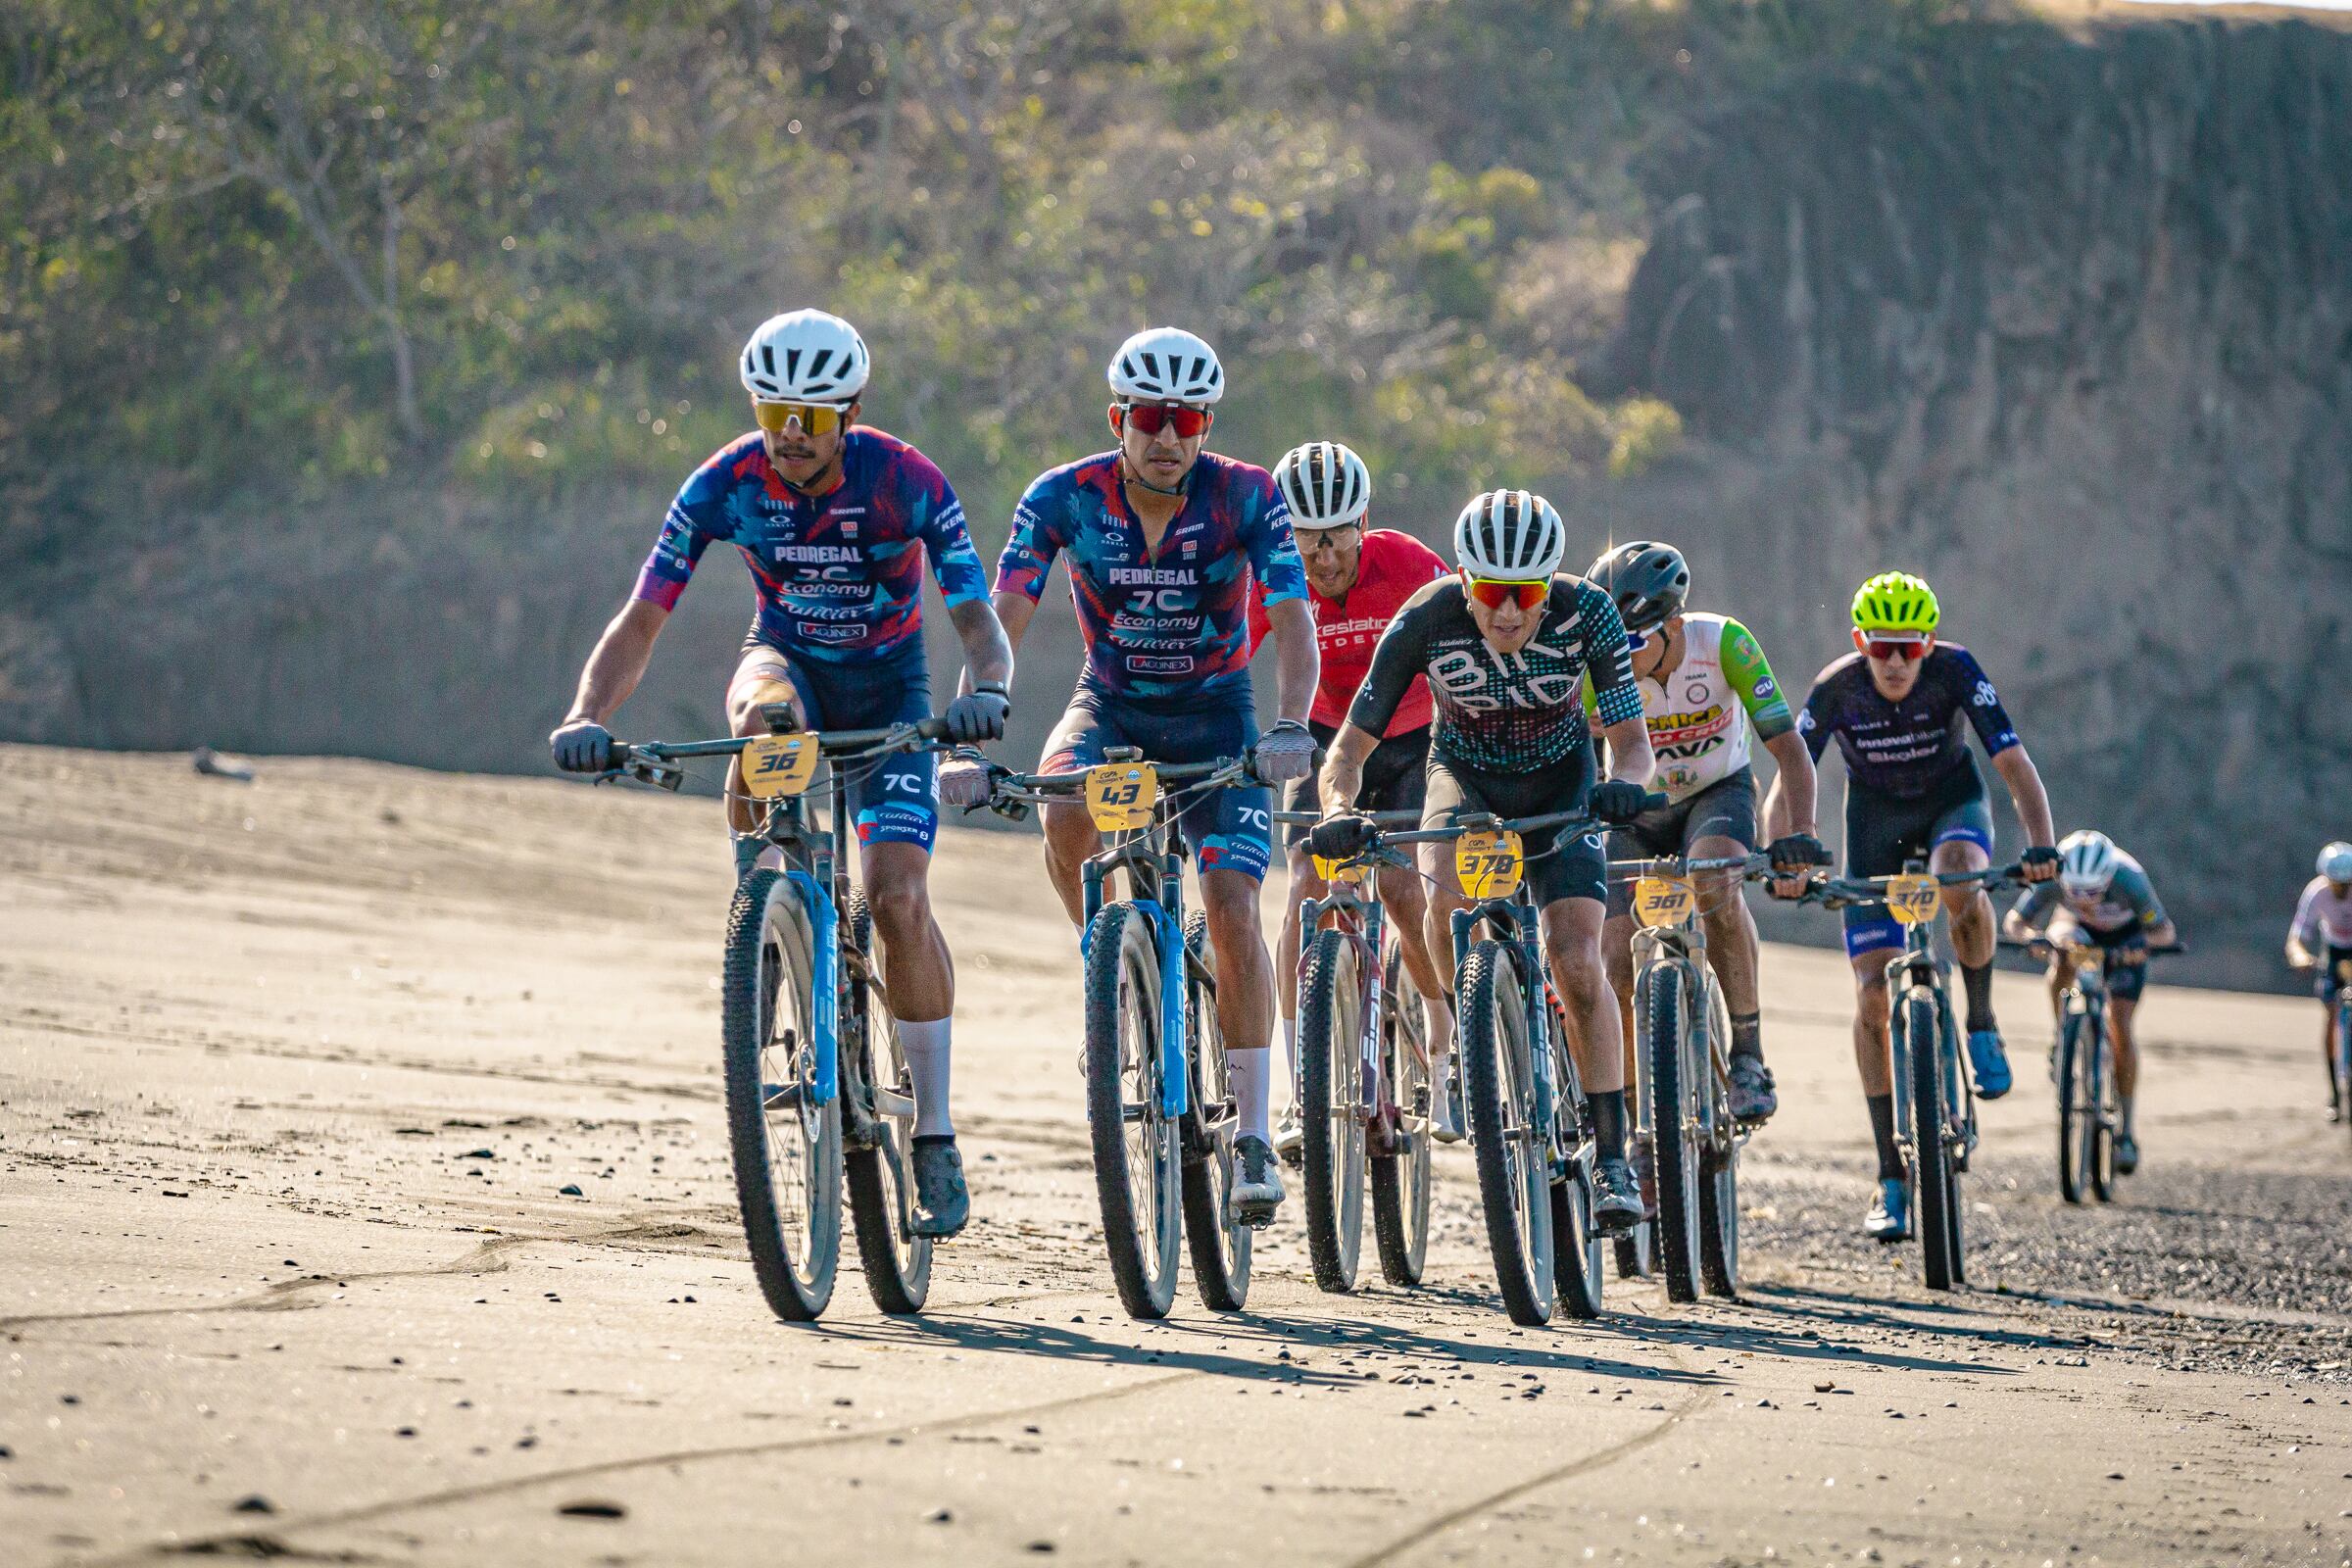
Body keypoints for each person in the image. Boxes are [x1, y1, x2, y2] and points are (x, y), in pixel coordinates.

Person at [549, 309, 1013, 1240]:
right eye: (774, 414)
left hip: (890, 694)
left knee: (897, 901)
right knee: (766, 719)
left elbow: (975, 617)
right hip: (787, 663)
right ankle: (761, 909)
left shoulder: (906, 480)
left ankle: (932, 1131)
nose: (790, 436)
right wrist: (586, 716)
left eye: (809, 416)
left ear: (848, 413)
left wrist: (988, 691)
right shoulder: (726, 481)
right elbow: (643, 619)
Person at [940, 327, 1317, 1224]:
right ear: (1118, 419)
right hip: (1109, 705)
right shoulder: (1061, 497)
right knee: (1061, 799)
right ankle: (1107, 966)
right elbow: (1005, 617)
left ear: (1206, 425)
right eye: (1149, 418)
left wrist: (1292, 724)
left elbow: (1294, 623)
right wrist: (969, 722)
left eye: (1186, 420)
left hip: (1217, 715)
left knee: (1231, 907)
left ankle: (1255, 1133)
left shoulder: (1248, 496)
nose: (1167, 436)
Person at [1307, 489, 1657, 1228]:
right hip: (1462, 776)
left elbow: (1632, 748)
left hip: (1564, 784)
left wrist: (1625, 789)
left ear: (1548, 587)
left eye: (1525, 594)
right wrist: (1339, 810)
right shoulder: (1428, 617)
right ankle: (1467, 1036)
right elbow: (1348, 749)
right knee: (1442, 901)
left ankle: (1614, 1158)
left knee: (1577, 958)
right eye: (1490, 593)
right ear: (1463, 582)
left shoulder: (1587, 612)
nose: (1507, 613)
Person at [1768, 569, 2058, 1243]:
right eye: (1882, 648)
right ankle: (1890, 1174)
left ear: (1929, 643)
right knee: (1871, 993)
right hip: (1872, 821)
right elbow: (1789, 776)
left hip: (1950, 803)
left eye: (1910, 647)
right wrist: (1780, 852)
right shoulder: (1837, 686)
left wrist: (2042, 846)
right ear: (1860, 642)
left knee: (1962, 877)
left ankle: (1980, 1021)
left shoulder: (1955, 670)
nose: (1897, 662)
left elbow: (2013, 764)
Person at [1244, 442, 1457, 1154]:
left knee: (1402, 892)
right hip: (1322, 734)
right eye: (1305, 538)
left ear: (1362, 522)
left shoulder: (1407, 564)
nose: (1323, 555)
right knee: (1305, 887)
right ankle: (1304, 1087)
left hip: (1413, 730)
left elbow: (1464, 643)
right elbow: (1224, 660)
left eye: (1337, 535)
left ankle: (1440, 1032)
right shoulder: (1266, 577)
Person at [1586, 541, 1828, 1128]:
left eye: (1631, 644)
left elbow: (1789, 748)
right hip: (1633, 811)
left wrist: (1802, 832)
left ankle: (1747, 1054)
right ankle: (1636, 1118)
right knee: (1613, 952)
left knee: (1717, 883)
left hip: (1715, 794)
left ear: (1673, 623)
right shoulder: (1598, 670)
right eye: (1610, 645)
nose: (1618, 658)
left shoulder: (1725, 645)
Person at [2001, 829, 2178, 1172]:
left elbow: (2163, 931)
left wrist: (2141, 948)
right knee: (2062, 950)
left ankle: (2126, 1129)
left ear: (2108, 879)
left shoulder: (2131, 879)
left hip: (2123, 941)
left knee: (2121, 1027)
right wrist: (2033, 938)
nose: (2084, 900)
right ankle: (2063, 1036)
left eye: (2093, 893)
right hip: (2076, 933)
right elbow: (2015, 920)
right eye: (2074, 892)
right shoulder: (2055, 875)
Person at [2284, 841, 2352, 1120]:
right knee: (2331, 1015)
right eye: (2336, 883)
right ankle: (2335, 1093)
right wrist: (2300, 956)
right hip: (2334, 953)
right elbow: (2297, 936)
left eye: (2346, 883)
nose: (2341, 889)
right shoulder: (2316, 893)